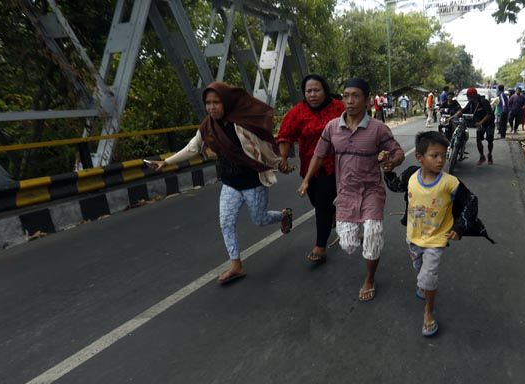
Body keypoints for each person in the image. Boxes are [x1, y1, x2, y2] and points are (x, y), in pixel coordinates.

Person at [146, 81, 291, 284]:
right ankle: (236, 265)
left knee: (260, 220)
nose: (211, 107)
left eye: (216, 102)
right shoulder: (208, 125)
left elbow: (264, 147)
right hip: (230, 184)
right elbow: (193, 147)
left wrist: (279, 163)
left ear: (227, 102)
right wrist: (165, 162)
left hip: (253, 182)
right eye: (208, 103)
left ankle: (284, 215)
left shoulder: (242, 123)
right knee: (226, 222)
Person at [298, 78, 405, 302]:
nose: (349, 101)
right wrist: (307, 180)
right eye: (346, 96)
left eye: (355, 96)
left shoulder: (378, 129)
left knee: (373, 236)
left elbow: (398, 153)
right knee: (348, 244)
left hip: (371, 190)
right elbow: (319, 154)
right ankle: (356, 228)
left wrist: (391, 163)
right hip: (345, 192)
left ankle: (369, 278)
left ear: (367, 100)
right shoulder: (332, 127)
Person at [384, 131, 494, 336]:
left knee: (428, 278)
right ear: (420, 158)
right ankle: (423, 284)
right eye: (434, 155)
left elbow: (471, 202)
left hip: (437, 239)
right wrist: (387, 171)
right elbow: (396, 186)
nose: (441, 160)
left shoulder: (450, 183)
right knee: (419, 269)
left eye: (443, 155)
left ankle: (428, 312)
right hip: (413, 236)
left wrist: (460, 227)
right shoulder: (410, 175)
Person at [277, 74, 344, 264]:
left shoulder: (339, 108)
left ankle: (320, 246)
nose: (312, 94)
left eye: (317, 90)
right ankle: (332, 213)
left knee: (322, 204)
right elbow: (285, 134)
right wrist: (282, 158)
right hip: (309, 167)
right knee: (316, 200)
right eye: (309, 91)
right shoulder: (298, 112)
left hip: (333, 165)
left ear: (325, 90)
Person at [451, 87, 494, 165]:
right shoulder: (471, 102)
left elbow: (489, 114)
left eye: (468, 96)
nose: (468, 98)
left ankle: (490, 155)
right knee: (478, 141)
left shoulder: (484, 101)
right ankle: (482, 156)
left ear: (473, 96)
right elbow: (464, 110)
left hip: (489, 123)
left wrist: (480, 122)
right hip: (479, 124)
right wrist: (457, 114)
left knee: (490, 141)